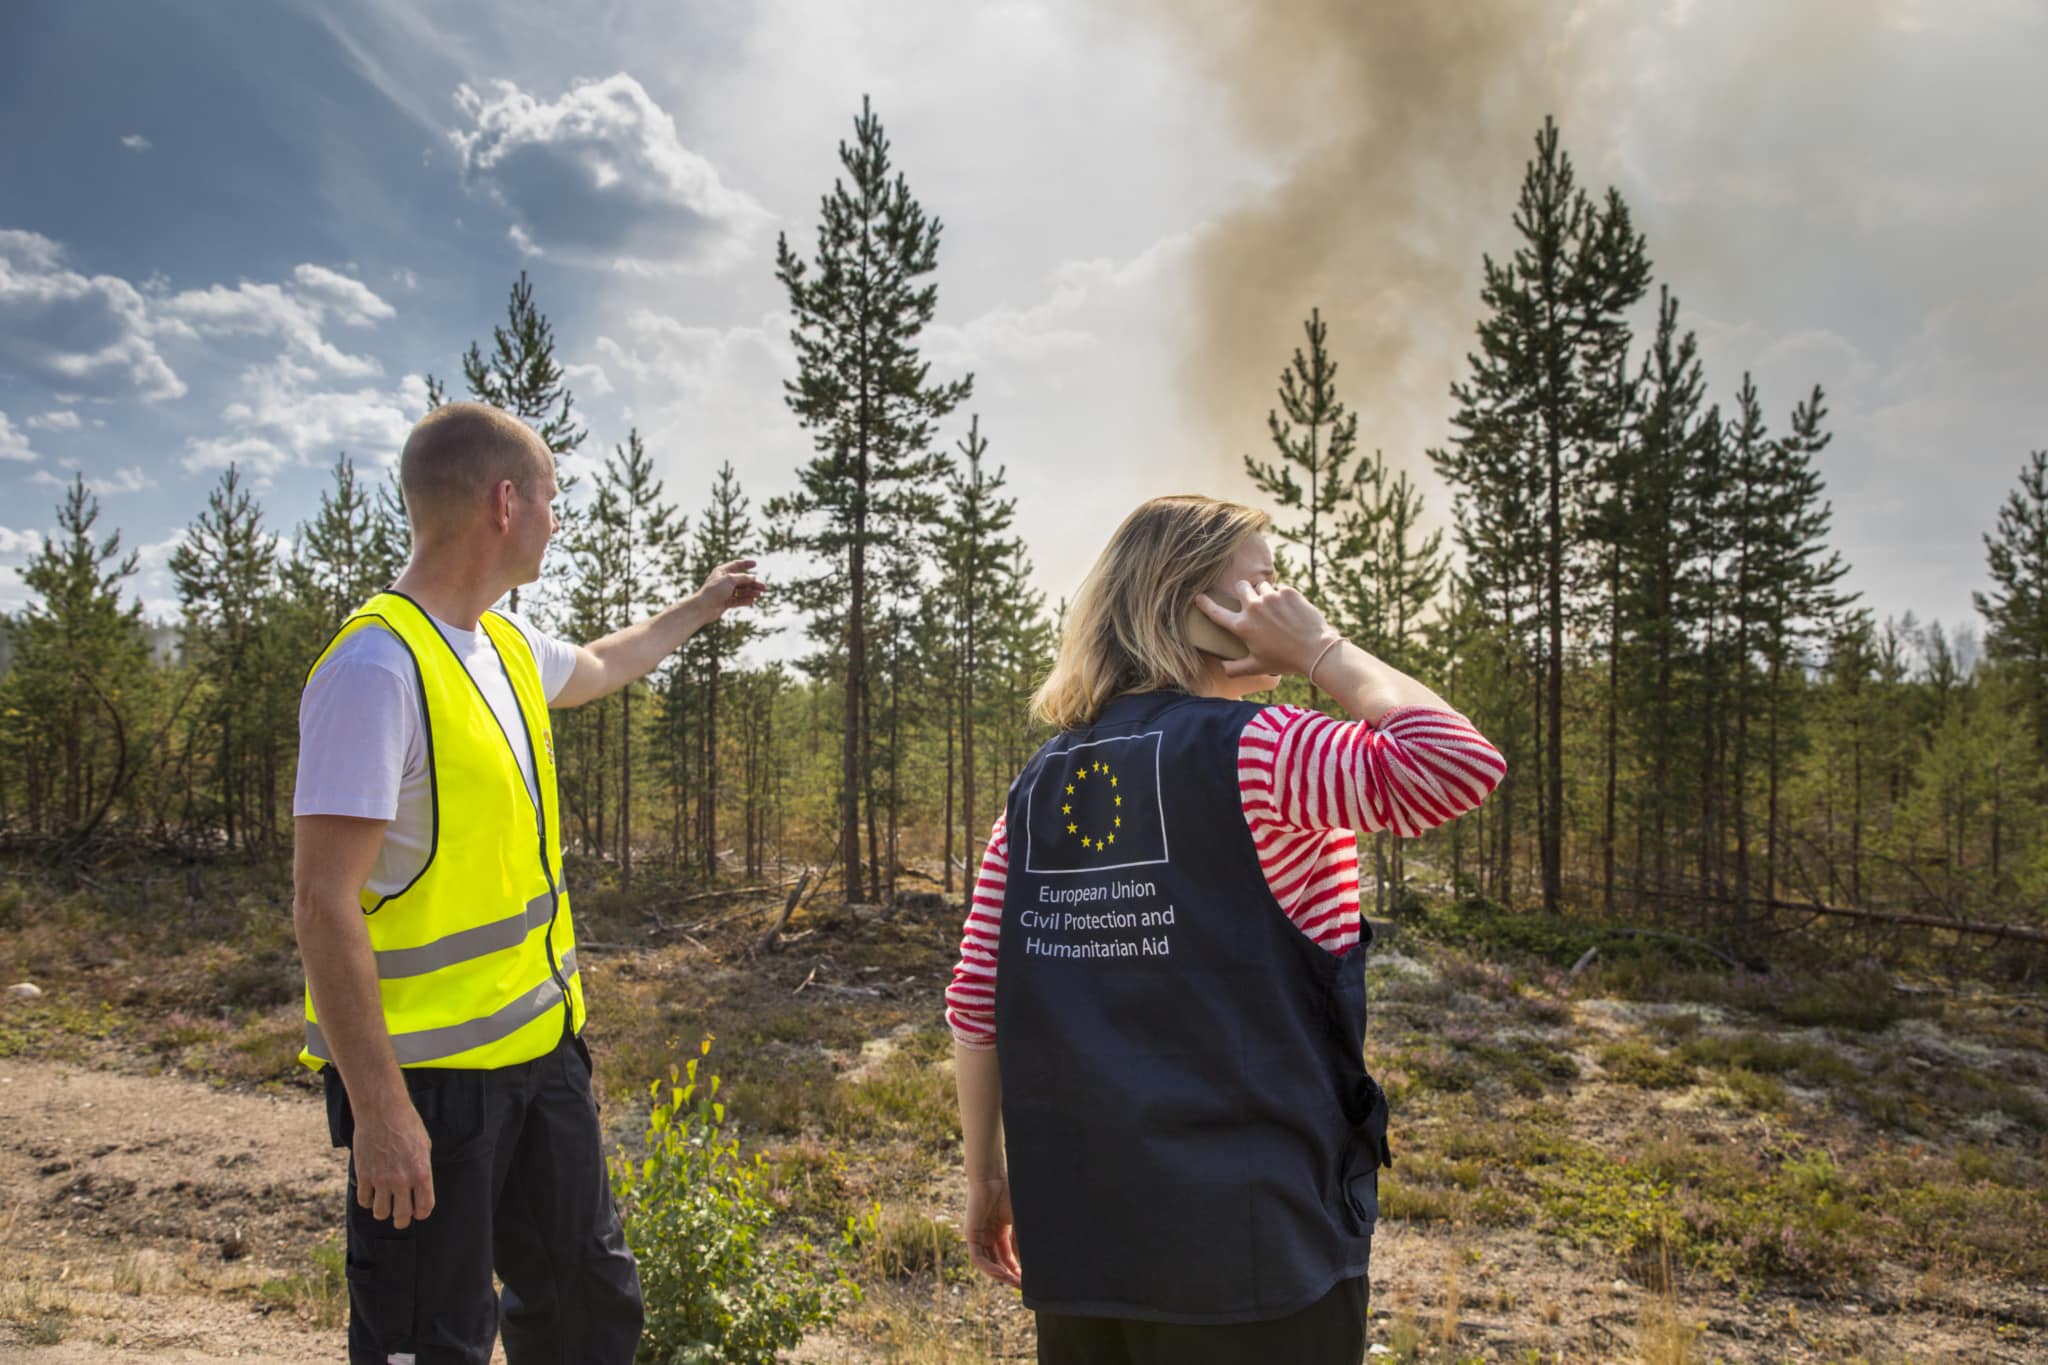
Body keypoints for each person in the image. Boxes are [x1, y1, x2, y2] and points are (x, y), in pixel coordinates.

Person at [945, 495, 1505, 1365]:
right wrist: (1321, 651)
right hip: (1252, 1258)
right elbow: (1458, 761)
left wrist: (985, 1177)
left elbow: (978, 1005)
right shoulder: (1261, 751)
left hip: (1082, 1243)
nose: (1281, 601)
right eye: (1260, 585)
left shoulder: (1037, 786)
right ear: (1185, 606)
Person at [291, 401, 764, 1365]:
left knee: (590, 1309)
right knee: (434, 1339)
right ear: (506, 502)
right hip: (428, 1087)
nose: (557, 519)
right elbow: (321, 901)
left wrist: (703, 603)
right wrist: (381, 1113)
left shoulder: (501, 644)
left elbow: (596, 665)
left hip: (542, 1056)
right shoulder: (376, 669)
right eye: (551, 499)